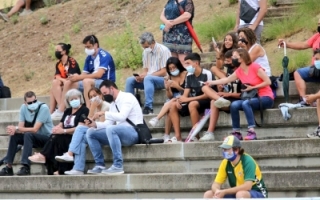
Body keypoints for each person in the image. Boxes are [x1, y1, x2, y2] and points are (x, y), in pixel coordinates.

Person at [206, 49, 274, 140]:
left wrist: (253, 87)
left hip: (265, 97)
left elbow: (268, 81)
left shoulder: (255, 67)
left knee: (246, 103)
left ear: (241, 58)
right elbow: (226, 80)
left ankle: (252, 131)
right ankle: (236, 132)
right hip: (251, 97)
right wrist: (211, 82)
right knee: (234, 105)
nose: (232, 59)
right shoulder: (239, 71)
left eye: (234, 57)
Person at [51, 35, 116, 119]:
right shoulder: (89, 58)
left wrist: (80, 77)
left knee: (86, 81)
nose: (87, 49)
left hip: (105, 82)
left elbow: (99, 75)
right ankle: (61, 110)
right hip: (92, 81)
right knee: (69, 83)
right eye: (85, 47)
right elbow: (84, 74)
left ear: (95, 45)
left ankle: (88, 110)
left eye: (88, 47)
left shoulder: (104, 55)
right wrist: (75, 77)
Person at [84, 80, 142, 174]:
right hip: (118, 133)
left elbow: (122, 116)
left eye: (105, 93)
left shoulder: (127, 97)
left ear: (112, 89)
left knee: (111, 129)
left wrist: (104, 113)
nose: (104, 96)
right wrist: (94, 124)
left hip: (133, 132)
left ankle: (118, 165)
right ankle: (99, 164)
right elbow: (108, 124)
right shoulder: (113, 104)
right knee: (91, 132)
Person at [28, 89, 89, 175]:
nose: (74, 101)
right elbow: (61, 123)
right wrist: (56, 128)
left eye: (76, 98)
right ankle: (56, 168)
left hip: (74, 137)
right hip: (64, 135)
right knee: (54, 136)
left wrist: (63, 131)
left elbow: (80, 128)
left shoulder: (84, 110)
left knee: (56, 138)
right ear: (68, 101)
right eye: (71, 99)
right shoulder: (68, 111)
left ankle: (43, 155)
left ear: (80, 98)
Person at [55, 88, 110, 175]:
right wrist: (92, 108)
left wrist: (92, 109)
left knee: (80, 128)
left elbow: (102, 125)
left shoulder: (106, 106)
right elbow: (88, 122)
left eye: (95, 95)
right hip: (93, 133)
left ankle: (70, 153)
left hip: (104, 133)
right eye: (91, 97)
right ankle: (78, 169)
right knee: (80, 139)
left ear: (101, 95)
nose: (93, 98)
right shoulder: (94, 107)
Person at [167, 53, 217, 143]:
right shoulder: (189, 76)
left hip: (206, 101)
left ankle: (195, 136)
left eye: (188, 63)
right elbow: (185, 94)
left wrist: (188, 99)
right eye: (185, 63)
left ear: (196, 63)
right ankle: (177, 137)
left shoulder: (207, 74)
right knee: (173, 105)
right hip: (193, 100)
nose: (186, 66)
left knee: (192, 104)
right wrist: (180, 100)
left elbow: (209, 94)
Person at [0, 91, 53, 176]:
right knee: (15, 136)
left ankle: (26, 166)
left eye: (34, 101)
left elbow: (35, 129)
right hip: (32, 138)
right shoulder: (23, 108)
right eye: (30, 102)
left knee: (28, 134)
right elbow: (21, 128)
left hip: (46, 138)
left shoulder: (43, 108)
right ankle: (8, 167)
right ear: (25, 103)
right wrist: (14, 130)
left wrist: (17, 128)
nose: (33, 104)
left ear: (36, 99)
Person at [203, 135, 268, 198]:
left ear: (236, 150)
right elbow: (216, 184)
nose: (224, 152)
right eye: (223, 149)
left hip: (257, 192)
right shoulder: (225, 162)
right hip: (237, 192)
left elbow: (247, 186)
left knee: (240, 194)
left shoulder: (248, 161)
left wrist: (225, 191)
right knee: (208, 194)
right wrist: (217, 191)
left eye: (226, 149)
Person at [200, 50, 242, 142]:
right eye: (226, 61)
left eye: (229, 61)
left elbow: (243, 94)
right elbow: (224, 82)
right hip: (227, 99)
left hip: (236, 100)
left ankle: (210, 132)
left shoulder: (242, 72)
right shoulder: (230, 72)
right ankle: (209, 133)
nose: (227, 63)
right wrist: (221, 89)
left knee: (213, 102)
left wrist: (227, 94)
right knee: (205, 88)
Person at [125, 32, 171, 114]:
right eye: (143, 47)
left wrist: (147, 76)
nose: (145, 49)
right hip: (148, 80)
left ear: (153, 42)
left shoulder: (164, 50)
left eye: (146, 47)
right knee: (130, 80)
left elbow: (164, 71)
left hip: (163, 80)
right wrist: (142, 76)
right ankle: (130, 106)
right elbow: (146, 70)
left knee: (148, 78)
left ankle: (148, 107)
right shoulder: (145, 52)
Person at [278, 20, 320, 105]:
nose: (318, 25)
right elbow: (304, 44)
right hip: (315, 68)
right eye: (318, 23)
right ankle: (304, 100)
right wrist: (287, 44)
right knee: (298, 73)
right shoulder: (317, 36)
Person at [148, 57, 187, 141]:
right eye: (170, 69)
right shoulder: (169, 77)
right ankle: (166, 135)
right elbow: (170, 96)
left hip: (185, 96)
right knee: (170, 104)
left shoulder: (186, 74)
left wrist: (178, 87)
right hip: (174, 98)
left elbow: (188, 91)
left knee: (170, 103)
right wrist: (167, 88)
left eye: (174, 67)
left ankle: (157, 119)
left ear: (178, 66)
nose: (172, 70)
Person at [50, 43, 81, 117]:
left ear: (64, 51)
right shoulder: (59, 64)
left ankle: (60, 109)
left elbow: (72, 77)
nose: (56, 52)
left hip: (75, 83)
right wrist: (63, 81)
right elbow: (57, 77)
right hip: (66, 83)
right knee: (54, 83)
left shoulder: (71, 61)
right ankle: (57, 109)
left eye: (57, 50)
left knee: (55, 88)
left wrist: (64, 81)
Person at [160, 0, 194, 64]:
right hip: (169, 35)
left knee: (183, 60)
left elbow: (187, 15)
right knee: (172, 61)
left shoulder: (187, 1)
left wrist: (172, 23)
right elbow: (162, 15)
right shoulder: (170, 1)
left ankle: (186, 73)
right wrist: (167, 22)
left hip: (182, 35)